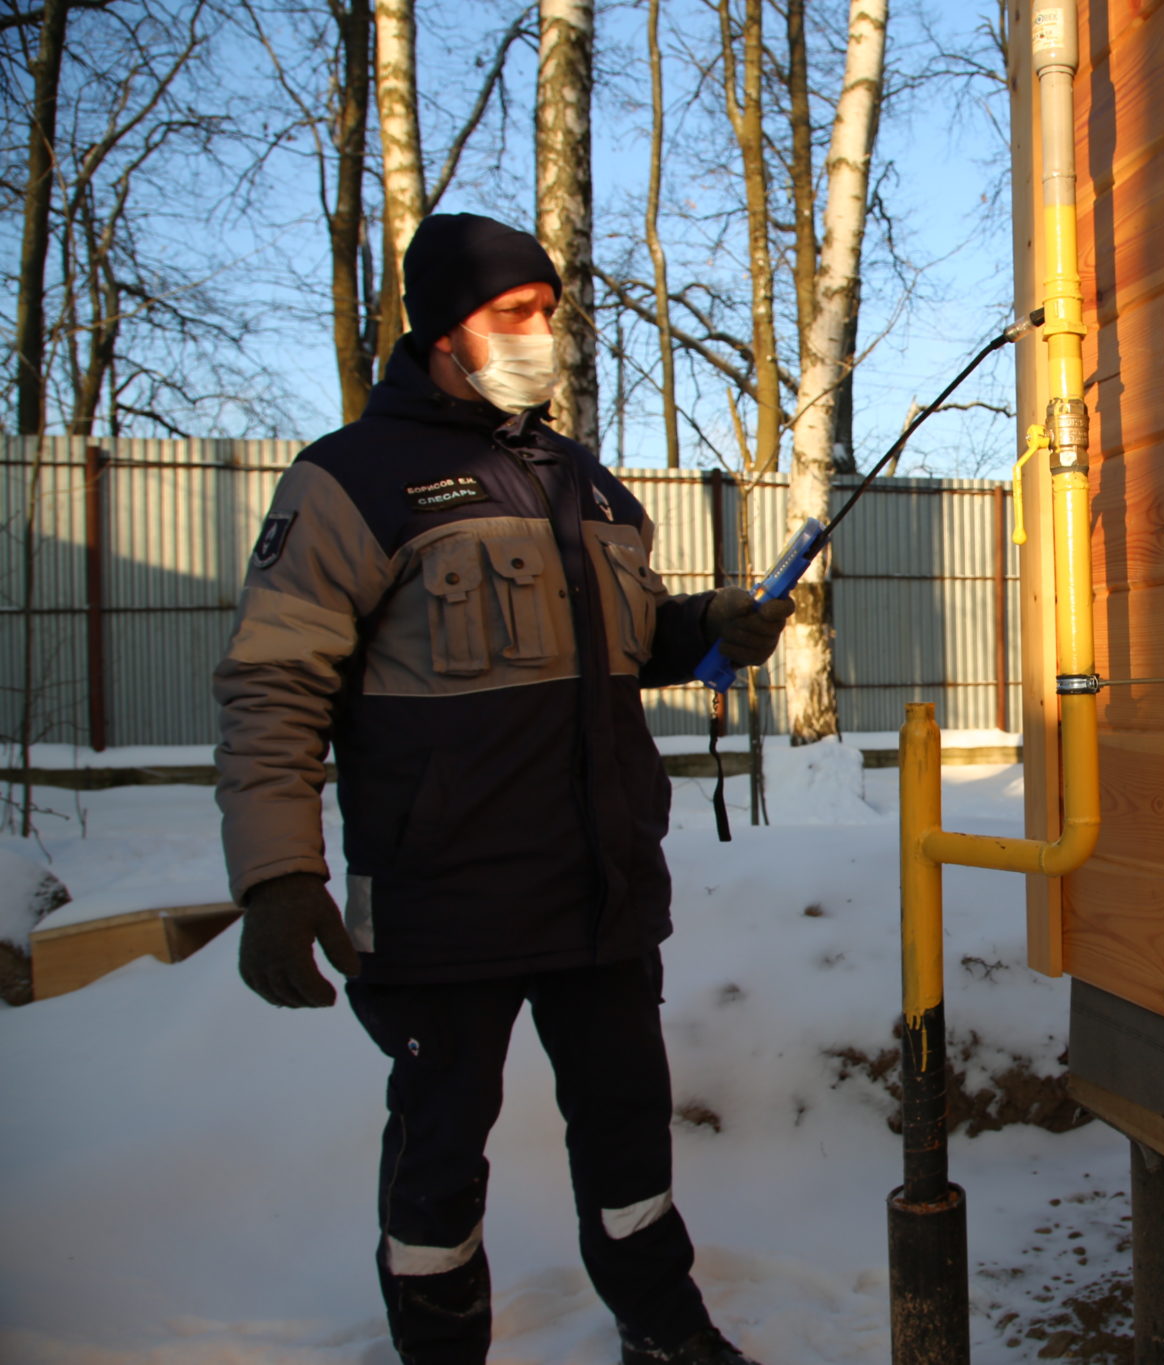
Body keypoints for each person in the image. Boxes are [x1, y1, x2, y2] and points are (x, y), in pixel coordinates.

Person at [214, 212, 787, 1365]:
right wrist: (277, 874)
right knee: (439, 1152)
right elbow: (273, 686)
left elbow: (615, 643)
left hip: (599, 886)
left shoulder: (581, 478)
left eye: (549, 314)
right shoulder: (350, 480)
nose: (542, 337)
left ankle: (664, 1331)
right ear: (440, 330)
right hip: (441, 901)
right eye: (511, 315)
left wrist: (703, 627)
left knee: (628, 1142)